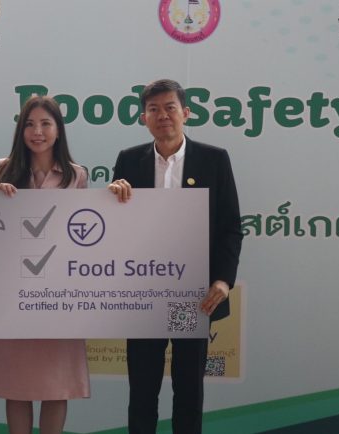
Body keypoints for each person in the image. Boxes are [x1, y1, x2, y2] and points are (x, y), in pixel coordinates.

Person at [108, 79, 243, 434]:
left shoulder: (213, 159)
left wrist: (222, 280)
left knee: (188, 389)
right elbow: (116, 229)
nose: (162, 115)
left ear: (186, 113)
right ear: (144, 118)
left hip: (192, 294)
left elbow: (230, 226)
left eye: (170, 108)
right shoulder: (129, 161)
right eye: (153, 109)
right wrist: (111, 199)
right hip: (144, 294)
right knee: (142, 390)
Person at [0, 95, 90, 434]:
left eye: (46, 124)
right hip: (13, 293)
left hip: (59, 294)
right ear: (21, 130)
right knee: (16, 384)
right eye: (30, 124)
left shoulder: (77, 175)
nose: (38, 132)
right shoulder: (4, 169)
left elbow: (83, 236)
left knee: (56, 385)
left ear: (58, 130)